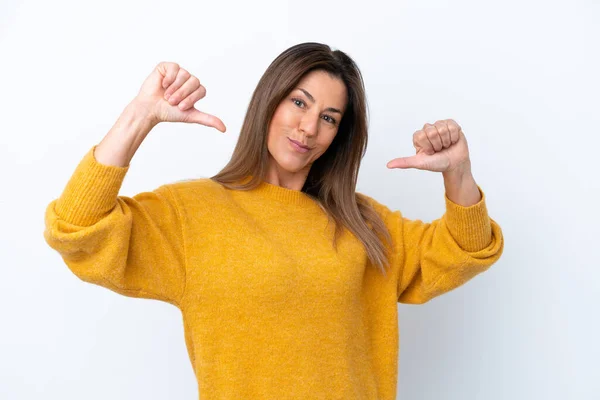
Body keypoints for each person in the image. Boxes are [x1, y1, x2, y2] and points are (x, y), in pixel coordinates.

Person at [43, 42, 504, 400]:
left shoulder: (362, 223)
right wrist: (139, 116)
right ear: (270, 100)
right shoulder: (192, 213)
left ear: (338, 136)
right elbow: (77, 229)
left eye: (328, 117)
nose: (308, 128)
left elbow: (463, 251)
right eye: (299, 103)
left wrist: (457, 172)